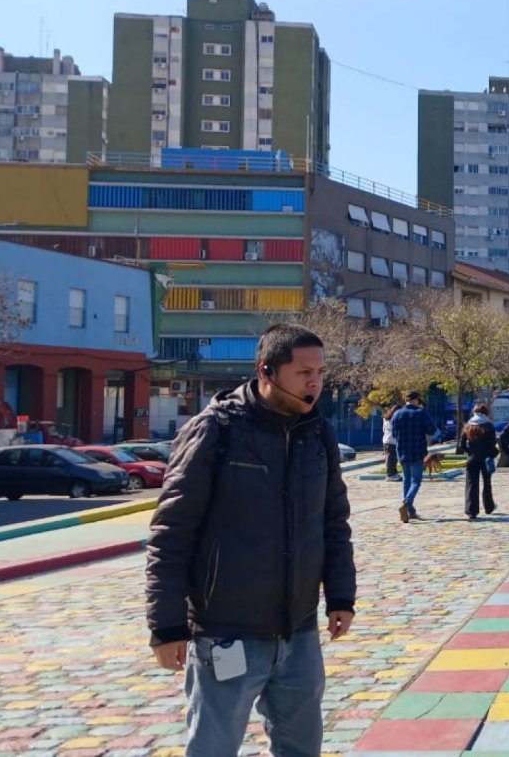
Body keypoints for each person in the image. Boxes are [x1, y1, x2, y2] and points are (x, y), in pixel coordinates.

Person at [145, 323, 355, 756]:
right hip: (227, 632)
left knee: (302, 747)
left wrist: (341, 596)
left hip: (298, 633)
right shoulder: (215, 431)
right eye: (302, 372)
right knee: (213, 747)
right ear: (266, 371)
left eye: (319, 372)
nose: (314, 382)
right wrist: (166, 626)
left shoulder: (317, 434)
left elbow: (333, 522)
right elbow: (171, 532)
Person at [390, 390, 438, 522]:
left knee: (406, 480)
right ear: (416, 400)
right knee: (416, 481)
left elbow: (393, 434)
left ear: (406, 400)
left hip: (402, 451)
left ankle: (410, 511)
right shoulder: (420, 413)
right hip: (418, 451)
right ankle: (406, 503)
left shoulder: (397, 414)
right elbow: (432, 430)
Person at [460, 404, 498, 520]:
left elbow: (462, 444)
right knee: (487, 483)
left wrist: (470, 451)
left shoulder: (468, 425)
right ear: (485, 413)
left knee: (471, 484)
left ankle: (471, 510)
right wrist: (492, 454)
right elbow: (492, 443)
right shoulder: (488, 425)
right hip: (485, 458)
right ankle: (489, 507)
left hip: (472, 458)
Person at [382, 405, 400, 481]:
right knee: (391, 459)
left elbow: (383, 429)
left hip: (387, 440)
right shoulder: (395, 419)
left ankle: (394, 473)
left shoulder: (385, 419)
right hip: (392, 441)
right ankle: (390, 474)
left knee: (393, 459)